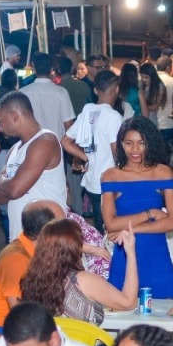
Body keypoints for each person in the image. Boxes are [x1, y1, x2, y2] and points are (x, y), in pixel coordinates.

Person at [101, 116, 173, 299]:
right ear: (121, 144)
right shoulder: (111, 176)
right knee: (121, 314)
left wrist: (131, 230)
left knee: (165, 316)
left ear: (150, 143)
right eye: (129, 143)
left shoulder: (162, 172)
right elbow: (111, 225)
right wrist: (150, 213)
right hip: (125, 257)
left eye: (141, 143)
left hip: (156, 255)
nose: (135, 149)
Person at [20, 218, 138, 323]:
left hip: (50, 344)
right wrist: (130, 252)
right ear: (76, 246)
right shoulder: (83, 280)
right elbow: (128, 303)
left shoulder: (33, 280)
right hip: (82, 345)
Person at [0, 91, 69, 241]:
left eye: (1, 121)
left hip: (46, 240)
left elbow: (14, 190)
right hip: (19, 238)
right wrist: (9, 183)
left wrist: (1, 178)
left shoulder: (45, 141)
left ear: (14, 116)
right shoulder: (14, 149)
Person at [0, 201, 61, 342]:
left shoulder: (31, 248)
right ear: (46, 232)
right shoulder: (16, 260)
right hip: (11, 340)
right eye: (62, 227)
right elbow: (22, 314)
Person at [62, 69, 125, 230]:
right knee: (111, 228)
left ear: (96, 90)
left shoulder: (87, 111)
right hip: (109, 182)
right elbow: (116, 152)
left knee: (100, 224)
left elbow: (66, 141)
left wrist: (86, 157)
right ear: (116, 89)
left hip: (92, 180)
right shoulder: (113, 116)